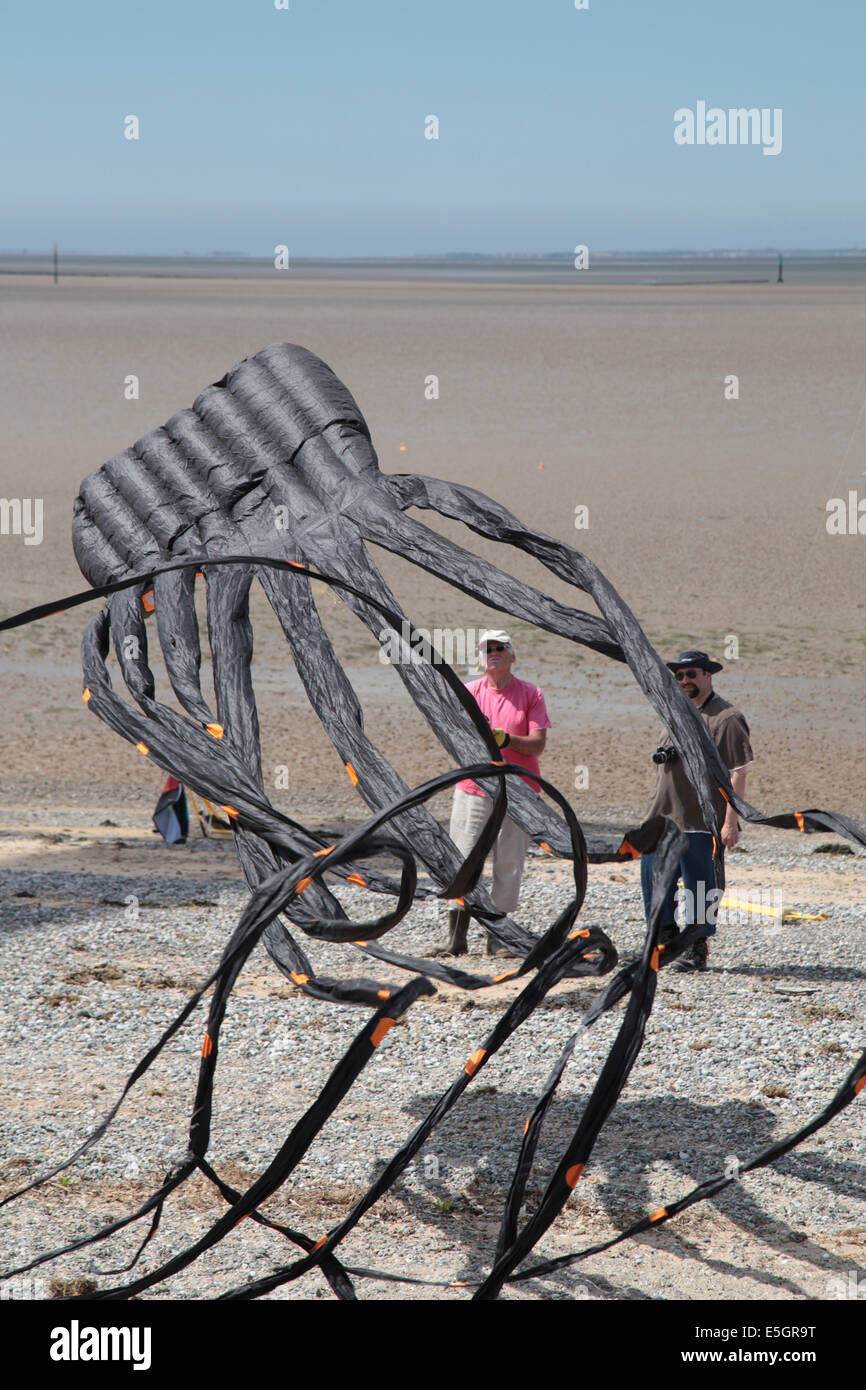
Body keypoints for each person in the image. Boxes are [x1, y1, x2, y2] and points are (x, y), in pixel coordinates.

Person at [437, 630, 551, 957]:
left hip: (519, 789)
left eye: (501, 648)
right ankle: (455, 936)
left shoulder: (531, 694)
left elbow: (538, 744)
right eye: (488, 649)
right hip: (473, 788)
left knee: (509, 861)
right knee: (462, 859)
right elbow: (455, 735)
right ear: (480, 657)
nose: (494, 653)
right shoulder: (468, 692)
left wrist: (505, 740)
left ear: (513, 655)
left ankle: (498, 937)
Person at [641, 649, 753, 973]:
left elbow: (739, 772)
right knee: (654, 879)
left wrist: (731, 822)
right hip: (661, 817)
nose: (686, 680)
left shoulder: (727, 717)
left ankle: (696, 947)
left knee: (701, 887)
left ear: (708, 676)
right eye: (681, 675)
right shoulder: (675, 711)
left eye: (693, 674)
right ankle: (663, 940)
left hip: (702, 821)